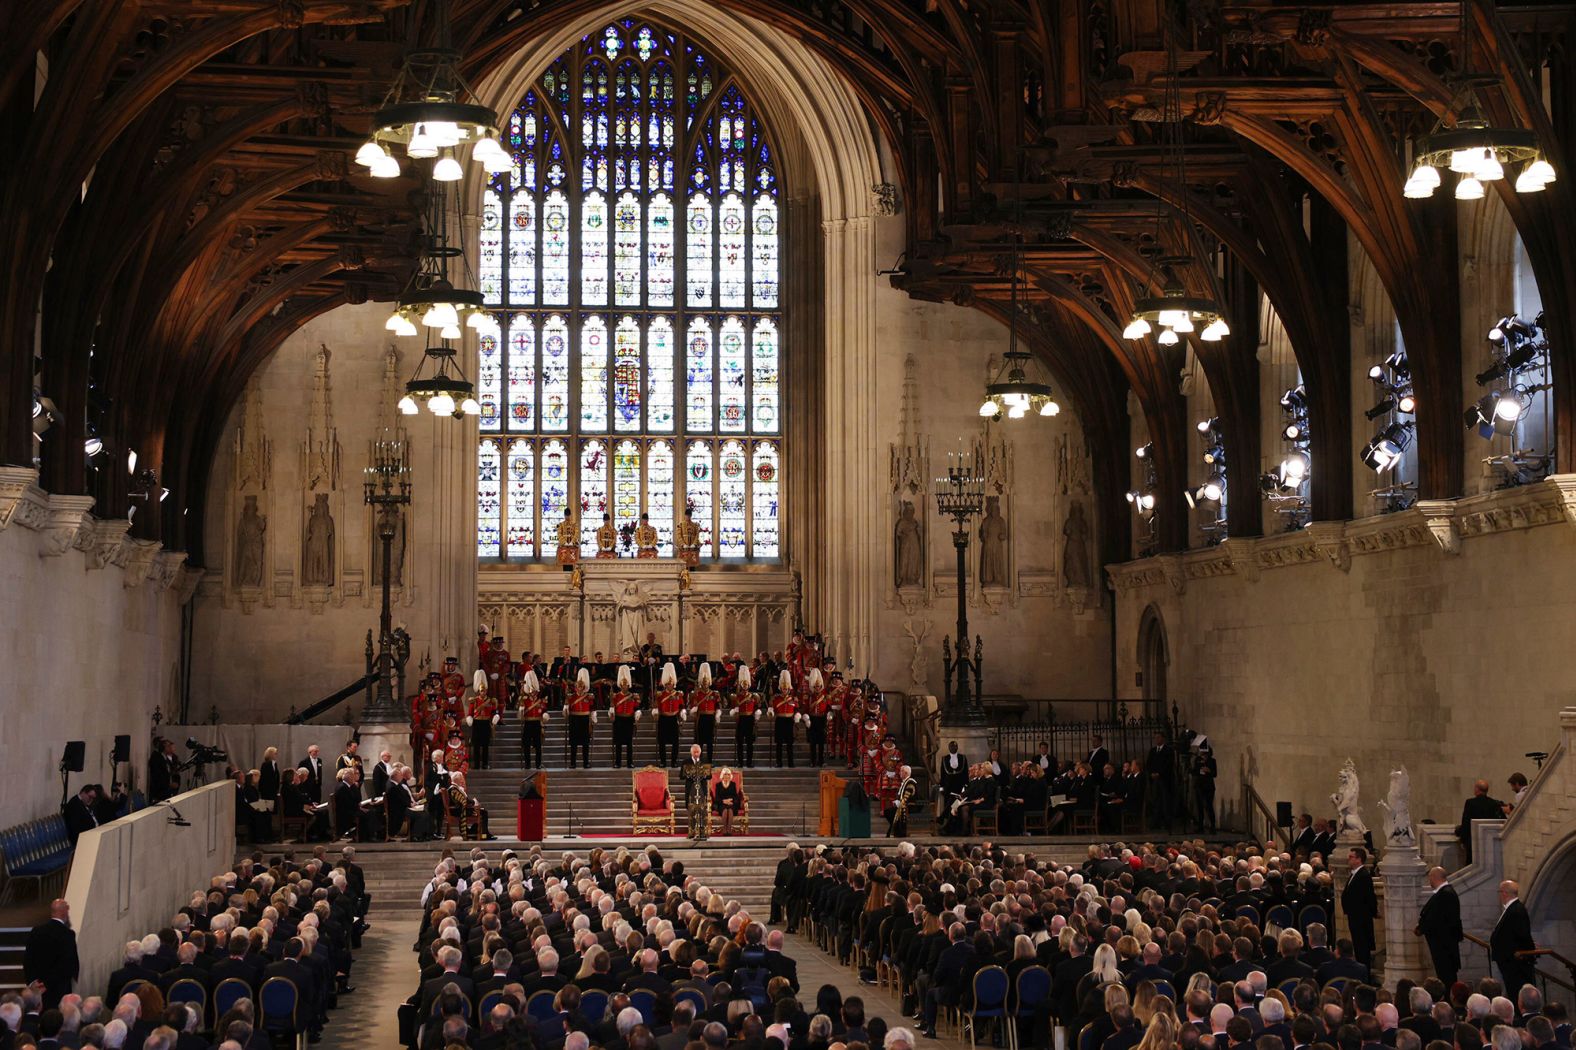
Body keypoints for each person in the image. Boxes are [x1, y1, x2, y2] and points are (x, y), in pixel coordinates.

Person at [24, 899, 78, 1009]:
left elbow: (28, 959)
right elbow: (67, 964)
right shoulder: (67, 934)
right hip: (59, 989)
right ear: (64, 912)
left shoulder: (36, 931)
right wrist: (48, 984)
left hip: (38, 988)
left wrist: (33, 982)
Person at [1416, 866, 1462, 986]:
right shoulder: (1443, 893)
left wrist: (1422, 928)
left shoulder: (1446, 894)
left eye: (1430, 877)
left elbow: (1437, 919)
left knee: (1447, 976)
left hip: (1444, 944)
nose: (1429, 880)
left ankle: (1449, 1000)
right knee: (1443, 975)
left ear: (1434, 877)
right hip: (1441, 943)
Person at [1490, 880, 1536, 997]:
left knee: (1516, 991)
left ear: (1505, 893)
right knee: (1512, 990)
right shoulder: (1511, 909)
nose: (1499, 895)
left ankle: (1521, 1014)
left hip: (1514, 962)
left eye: (1500, 892)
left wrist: (1524, 952)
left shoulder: (1516, 910)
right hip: (1508, 959)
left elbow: (1523, 934)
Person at [1342, 847, 1378, 967]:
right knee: (1358, 948)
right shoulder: (1355, 874)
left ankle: (1365, 976)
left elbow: (1369, 897)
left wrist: (1372, 912)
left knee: (1362, 949)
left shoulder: (1363, 875)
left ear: (1359, 859)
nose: (1348, 859)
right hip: (1355, 917)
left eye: (1351, 857)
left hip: (1361, 918)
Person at [1455, 780, 1505, 863]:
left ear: (1477, 789)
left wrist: (1463, 839)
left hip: (1473, 841)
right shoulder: (1494, 803)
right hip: (1489, 842)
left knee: (1471, 862)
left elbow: (1466, 822)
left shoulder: (1470, 803)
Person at [610, 665, 642, 769]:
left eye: (626, 685)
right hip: (619, 720)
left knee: (629, 743)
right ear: (620, 685)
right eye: (623, 685)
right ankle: (618, 762)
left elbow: (637, 707)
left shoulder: (633, 696)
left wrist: (637, 714)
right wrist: (611, 713)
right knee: (618, 743)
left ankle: (630, 762)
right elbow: (612, 707)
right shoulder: (616, 696)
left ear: (628, 686)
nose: (625, 686)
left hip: (629, 719)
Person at [467, 671, 499, 770]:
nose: (483, 692)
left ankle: (485, 764)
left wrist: (495, 717)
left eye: (484, 691)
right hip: (477, 723)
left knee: (485, 745)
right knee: (476, 745)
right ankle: (476, 764)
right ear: (479, 691)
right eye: (481, 691)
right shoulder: (474, 701)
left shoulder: (491, 700)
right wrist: (469, 719)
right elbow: (470, 713)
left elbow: (494, 711)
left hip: (485, 723)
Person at [655, 663, 686, 767]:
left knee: (675, 742)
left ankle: (674, 761)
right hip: (663, 718)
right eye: (668, 684)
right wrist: (655, 712)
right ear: (665, 684)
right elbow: (656, 706)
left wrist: (682, 713)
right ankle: (663, 761)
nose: (669, 685)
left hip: (673, 718)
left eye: (671, 684)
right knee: (662, 741)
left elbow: (681, 705)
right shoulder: (660, 695)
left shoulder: (678, 694)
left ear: (674, 684)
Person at [681, 745, 712, 842]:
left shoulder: (705, 761)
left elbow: (709, 776)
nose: (696, 754)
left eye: (697, 752)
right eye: (694, 752)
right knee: (691, 810)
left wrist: (703, 774)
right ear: (691, 752)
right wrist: (689, 774)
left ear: (700, 752)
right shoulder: (686, 762)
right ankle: (691, 832)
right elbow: (681, 776)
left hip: (702, 789)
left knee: (702, 811)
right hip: (690, 790)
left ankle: (703, 832)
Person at [566, 668, 595, 769]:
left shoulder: (589, 697)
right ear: (575, 687)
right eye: (578, 686)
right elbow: (567, 710)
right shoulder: (571, 697)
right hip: (574, 720)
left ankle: (586, 763)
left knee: (585, 743)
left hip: (585, 720)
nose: (580, 688)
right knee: (573, 743)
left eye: (582, 686)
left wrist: (593, 719)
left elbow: (592, 708)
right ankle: (573, 763)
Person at [691, 664, 720, 763]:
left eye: (707, 682)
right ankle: (699, 760)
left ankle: (710, 761)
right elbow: (693, 706)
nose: (705, 684)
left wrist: (717, 715)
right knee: (700, 741)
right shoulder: (697, 693)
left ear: (709, 683)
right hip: (701, 718)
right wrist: (694, 710)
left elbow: (718, 706)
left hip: (710, 718)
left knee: (710, 742)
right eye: (704, 683)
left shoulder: (714, 694)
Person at [518, 667, 547, 768]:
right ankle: (527, 764)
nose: (533, 692)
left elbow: (544, 710)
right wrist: (521, 708)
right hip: (528, 723)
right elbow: (520, 715)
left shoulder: (540, 700)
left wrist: (545, 715)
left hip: (537, 723)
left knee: (538, 745)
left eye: (534, 690)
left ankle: (538, 764)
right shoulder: (524, 699)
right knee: (526, 744)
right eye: (531, 690)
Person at [731, 666, 760, 768]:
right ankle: (740, 762)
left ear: (749, 685)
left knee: (749, 743)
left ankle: (749, 762)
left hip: (750, 719)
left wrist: (757, 716)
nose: (745, 686)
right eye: (743, 684)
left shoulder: (753, 696)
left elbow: (756, 708)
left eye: (746, 684)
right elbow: (734, 707)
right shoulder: (737, 697)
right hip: (741, 719)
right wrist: (735, 712)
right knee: (739, 743)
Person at [771, 670, 798, 768]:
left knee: (789, 743)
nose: (784, 690)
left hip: (789, 721)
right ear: (781, 688)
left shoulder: (793, 699)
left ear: (788, 689)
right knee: (779, 744)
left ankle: (791, 763)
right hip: (780, 721)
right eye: (783, 688)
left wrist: (797, 716)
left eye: (786, 689)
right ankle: (779, 762)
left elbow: (797, 708)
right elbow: (773, 708)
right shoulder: (776, 699)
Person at [884, 764, 916, 837]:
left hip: (910, 805)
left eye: (901, 771)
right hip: (903, 804)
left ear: (906, 773)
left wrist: (900, 802)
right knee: (887, 812)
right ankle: (895, 830)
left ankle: (898, 832)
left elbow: (907, 796)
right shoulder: (905, 782)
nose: (899, 773)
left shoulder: (910, 782)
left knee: (890, 812)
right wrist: (897, 801)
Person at [712, 767, 744, 836]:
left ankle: (728, 829)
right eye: (725, 774)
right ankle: (724, 829)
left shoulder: (733, 784)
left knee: (730, 809)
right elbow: (717, 797)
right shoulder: (718, 785)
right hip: (721, 803)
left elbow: (735, 796)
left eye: (728, 774)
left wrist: (730, 800)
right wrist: (724, 801)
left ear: (730, 776)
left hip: (731, 803)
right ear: (722, 775)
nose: (727, 776)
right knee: (725, 810)